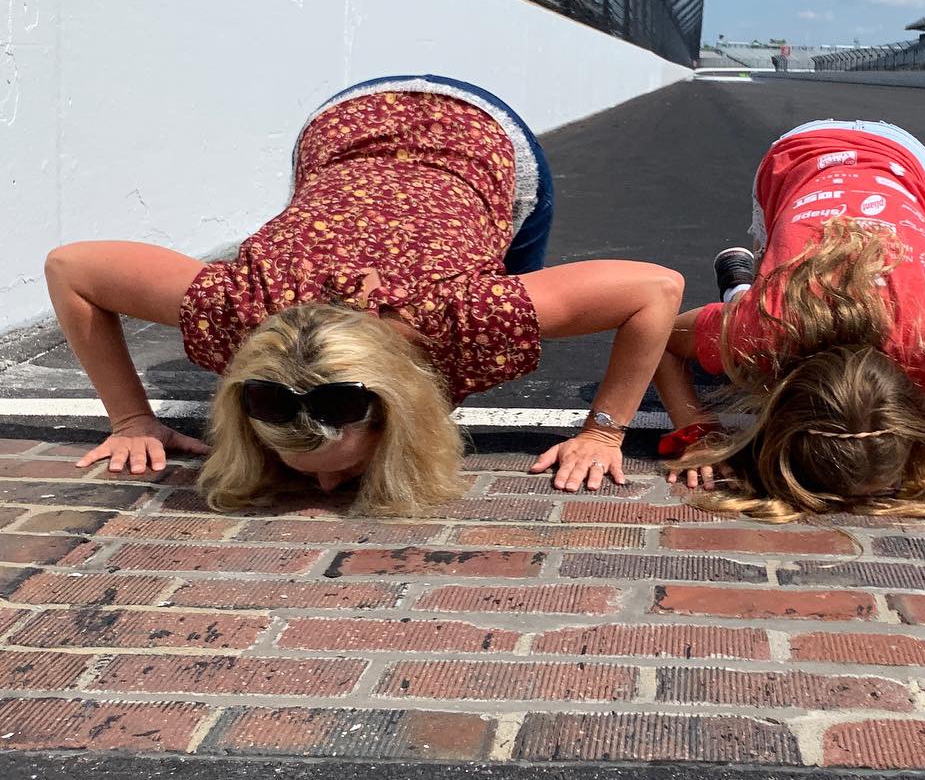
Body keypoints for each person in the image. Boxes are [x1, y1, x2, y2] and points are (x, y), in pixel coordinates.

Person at [45, 75, 683, 512]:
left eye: (344, 468)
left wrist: (604, 433)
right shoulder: (238, 305)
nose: (326, 489)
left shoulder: (466, 315)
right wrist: (130, 419)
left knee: (514, 283)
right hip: (345, 132)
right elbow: (70, 268)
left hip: (480, 136)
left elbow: (655, 290)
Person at [653, 119, 925, 521]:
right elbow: (662, 338)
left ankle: (740, 290)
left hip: (855, 168)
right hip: (821, 164)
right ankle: (740, 290)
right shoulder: (768, 332)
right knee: (766, 305)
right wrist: (692, 432)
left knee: (767, 302)